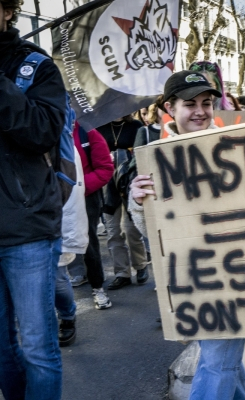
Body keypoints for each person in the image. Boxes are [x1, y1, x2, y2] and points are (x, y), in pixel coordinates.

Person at [128, 70, 245, 400]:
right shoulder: (157, 158)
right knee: (226, 364)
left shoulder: (237, 145)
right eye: (190, 104)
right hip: (194, 281)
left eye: (207, 103)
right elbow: (152, 237)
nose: (200, 110)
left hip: (240, 276)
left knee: (216, 363)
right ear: (171, 108)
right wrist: (140, 204)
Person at [0, 0, 66, 397]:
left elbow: (43, 132)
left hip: (28, 230)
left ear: (7, 9)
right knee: (2, 351)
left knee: (38, 348)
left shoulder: (36, 67)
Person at [96, 116, 149, 290]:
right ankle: (122, 273)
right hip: (107, 185)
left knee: (131, 230)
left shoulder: (136, 126)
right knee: (112, 231)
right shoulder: (99, 127)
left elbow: (142, 153)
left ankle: (141, 266)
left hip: (129, 182)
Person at [68, 121, 114, 309]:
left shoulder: (89, 132)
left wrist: (79, 186)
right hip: (55, 197)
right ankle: (75, 276)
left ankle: (98, 288)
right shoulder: (46, 129)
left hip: (85, 196)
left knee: (89, 243)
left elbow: (105, 168)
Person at [55, 147, 88, 346]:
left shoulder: (61, 140)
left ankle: (67, 315)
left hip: (51, 220)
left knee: (57, 280)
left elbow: (72, 187)